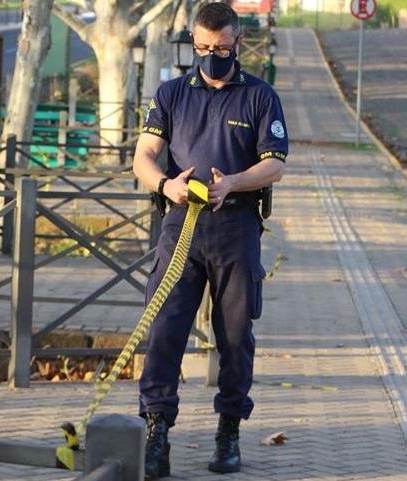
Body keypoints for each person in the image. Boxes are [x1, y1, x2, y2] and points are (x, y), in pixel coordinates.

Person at [131, 2, 288, 478]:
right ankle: (157, 432)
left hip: (235, 226)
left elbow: (275, 163)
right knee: (163, 331)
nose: (211, 56)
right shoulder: (172, 93)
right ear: (192, 43)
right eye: (201, 48)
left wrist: (233, 183)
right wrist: (166, 184)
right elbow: (143, 156)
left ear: (238, 43)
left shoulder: (261, 96)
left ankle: (229, 432)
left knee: (235, 337)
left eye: (220, 48)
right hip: (181, 226)